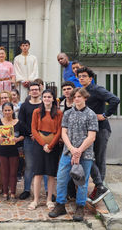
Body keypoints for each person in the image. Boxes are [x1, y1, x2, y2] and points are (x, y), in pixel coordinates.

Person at [49, 88, 98, 222]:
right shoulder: (68, 113)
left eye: (79, 97)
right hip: (67, 152)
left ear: (85, 98)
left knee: (82, 181)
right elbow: (63, 133)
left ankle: (80, 207)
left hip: (85, 154)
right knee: (62, 178)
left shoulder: (91, 115)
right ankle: (60, 205)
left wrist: (79, 151)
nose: (76, 99)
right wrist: (72, 149)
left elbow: (92, 137)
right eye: (75, 96)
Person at [77, 67, 120, 204]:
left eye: (84, 76)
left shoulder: (97, 89)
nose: (81, 78)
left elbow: (115, 99)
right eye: (80, 76)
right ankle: (99, 186)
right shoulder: (83, 92)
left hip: (101, 129)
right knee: (89, 157)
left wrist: (105, 115)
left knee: (100, 159)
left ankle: (99, 188)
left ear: (90, 78)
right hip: (90, 131)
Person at [28, 90, 62, 210]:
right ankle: (36, 200)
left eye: (49, 97)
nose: (47, 99)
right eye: (45, 97)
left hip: (53, 145)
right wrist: (43, 145)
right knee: (38, 173)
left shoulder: (58, 113)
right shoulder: (36, 112)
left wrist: (51, 145)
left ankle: (49, 200)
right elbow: (33, 130)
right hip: (39, 145)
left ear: (53, 99)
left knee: (51, 173)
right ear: (42, 98)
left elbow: (59, 131)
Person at [0, 102, 25, 201]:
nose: (7, 112)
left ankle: (12, 193)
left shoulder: (18, 122)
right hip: (2, 150)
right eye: (5, 110)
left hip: (14, 150)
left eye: (9, 110)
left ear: (12, 111)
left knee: (13, 172)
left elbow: (23, 135)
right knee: (4, 172)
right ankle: (5, 192)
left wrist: (17, 139)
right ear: (2, 111)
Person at [18, 82, 42, 200]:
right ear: (29, 92)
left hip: (43, 139)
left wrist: (39, 134)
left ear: (40, 91)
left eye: (36, 89)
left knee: (44, 165)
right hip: (29, 139)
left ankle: (48, 192)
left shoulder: (44, 104)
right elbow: (21, 122)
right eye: (32, 90)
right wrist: (31, 133)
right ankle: (26, 190)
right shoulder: (24, 106)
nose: (34, 91)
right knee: (29, 165)